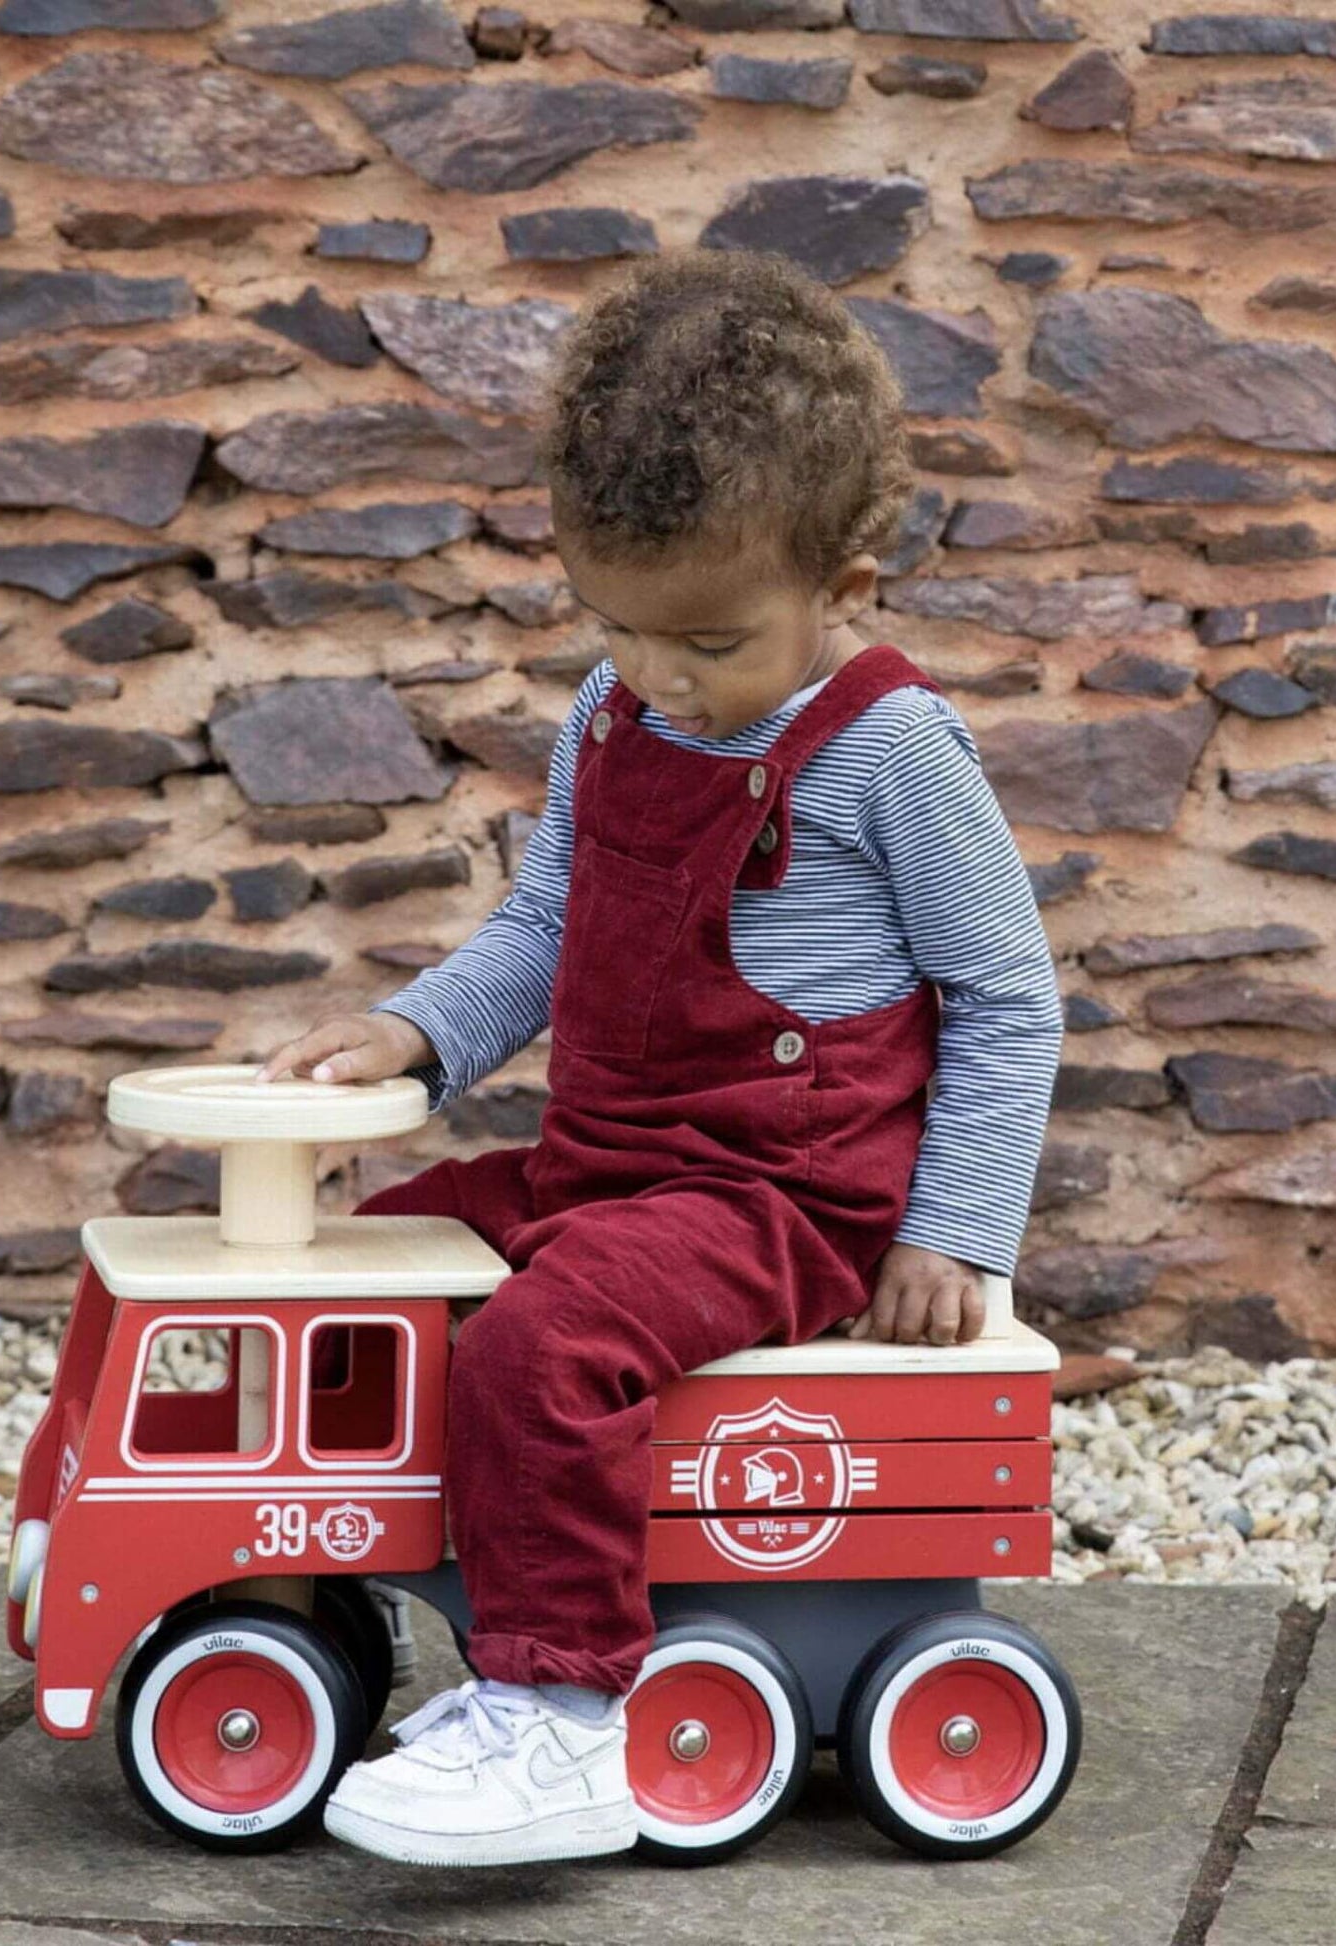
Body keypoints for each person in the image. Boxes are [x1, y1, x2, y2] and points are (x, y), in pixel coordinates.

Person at [259, 247, 1064, 1869]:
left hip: (785, 1190)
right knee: (369, 1269)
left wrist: (950, 1231)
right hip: (612, 1166)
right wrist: (418, 1022)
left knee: (539, 1348)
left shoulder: (889, 746)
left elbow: (1006, 995)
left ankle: (557, 1716)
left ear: (847, 587)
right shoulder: (613, 715)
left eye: (704, 639)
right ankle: (390, 1601)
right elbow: (546, 922)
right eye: (616, 625)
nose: (657, 674)